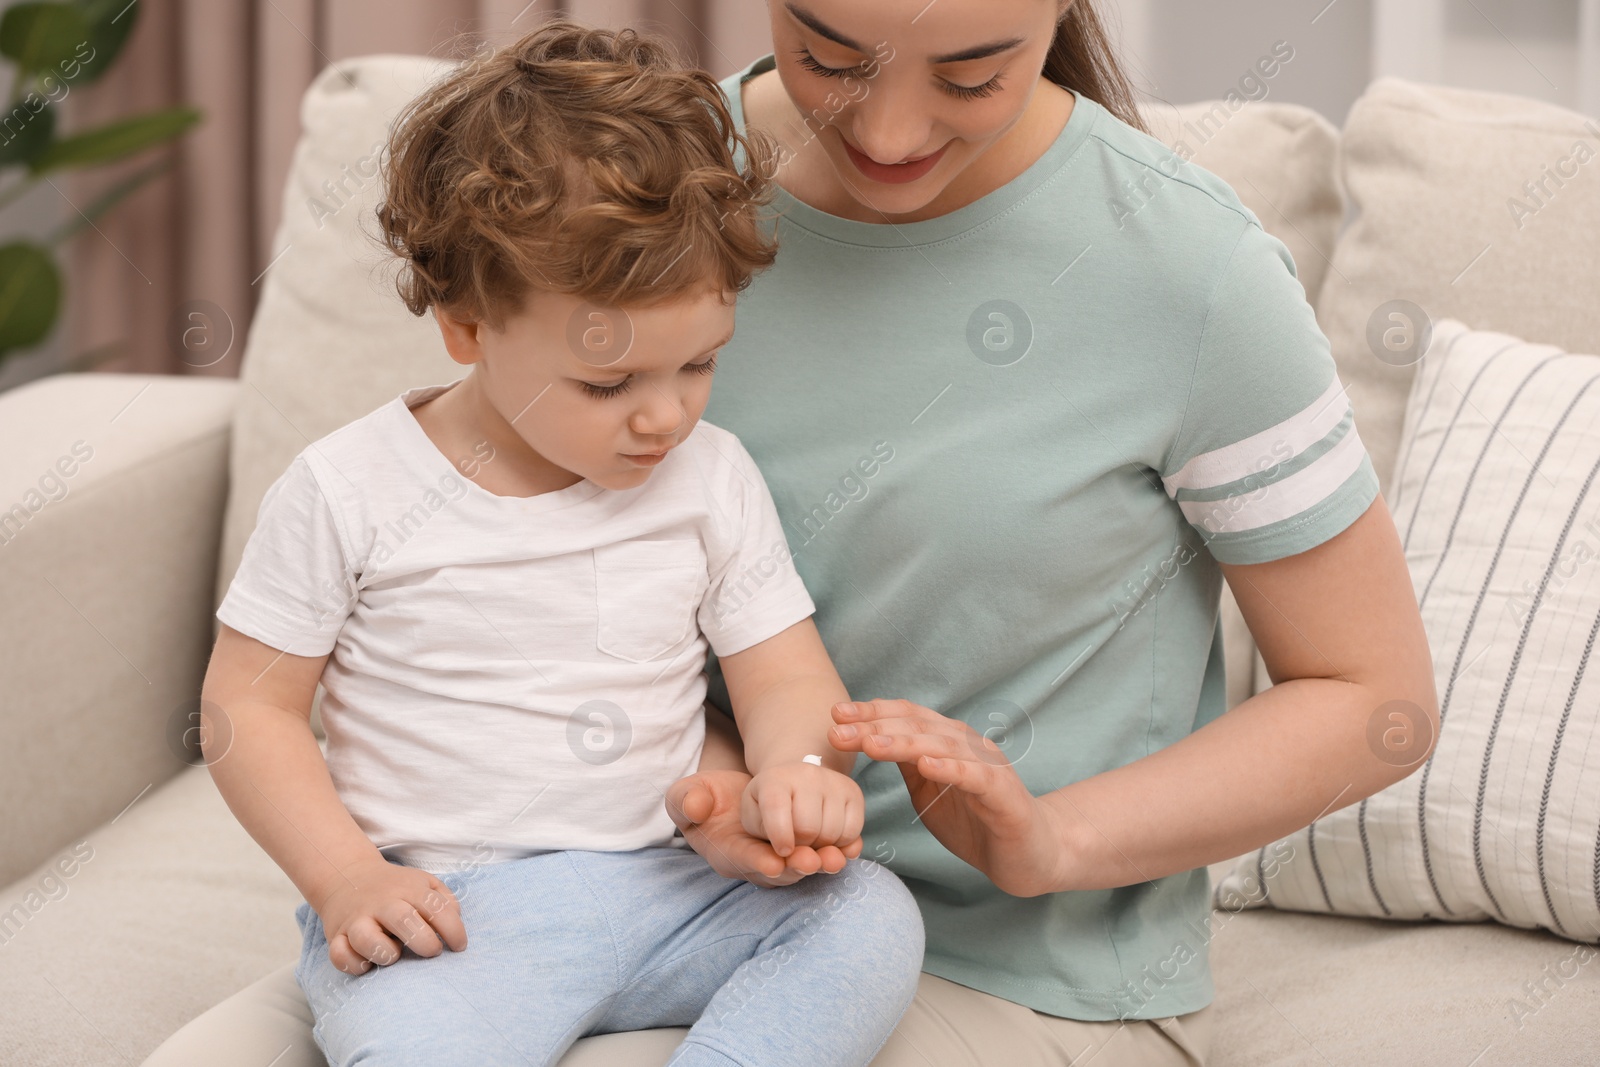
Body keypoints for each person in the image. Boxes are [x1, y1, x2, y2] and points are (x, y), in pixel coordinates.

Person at [145, 2, 1440, 1065]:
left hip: (990, 960)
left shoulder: (1188, 271)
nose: (884, 129)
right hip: (623, 875)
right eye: (828, 50)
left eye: (972, 69)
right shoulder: (644, 195)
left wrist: (1056, 837)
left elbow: (1373, 694)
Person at [196, 20, 925, 1067]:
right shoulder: (345, 489)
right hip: (450, 916)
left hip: (676, 882)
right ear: (466, 326)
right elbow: (245, 707)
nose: (664, 418)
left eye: (699, 364)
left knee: (867, 912)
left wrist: (794, 769)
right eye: (608, 381)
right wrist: (345, 878)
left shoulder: (710, 477)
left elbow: (781, 674)